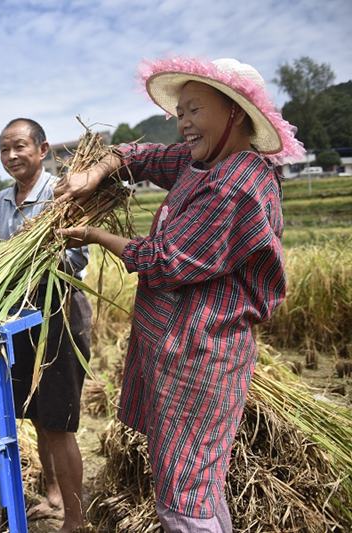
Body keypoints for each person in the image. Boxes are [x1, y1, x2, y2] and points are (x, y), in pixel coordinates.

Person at [54, 58, 304, 532]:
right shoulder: (202, 163)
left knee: (185, 493)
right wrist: (95, 173)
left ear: (233, 112)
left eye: (195, 110)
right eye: (181, 111)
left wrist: (94, 235)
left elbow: (166, 261)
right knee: (190, 482)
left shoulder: (237, 184)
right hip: (177, 352)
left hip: (200, 358)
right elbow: (141, 155)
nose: (183, 122)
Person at [0, 118, 92, 533]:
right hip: (19, 322)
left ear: (42, 150)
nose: (11, 156)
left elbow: (76, 259)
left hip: (58, 318)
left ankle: (76, 521)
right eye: (4, 148)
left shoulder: (62, 193)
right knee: (38, 416)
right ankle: (54, 495)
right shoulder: (1, 201)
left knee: (60, 422)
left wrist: (34, 257)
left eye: (20, 146)